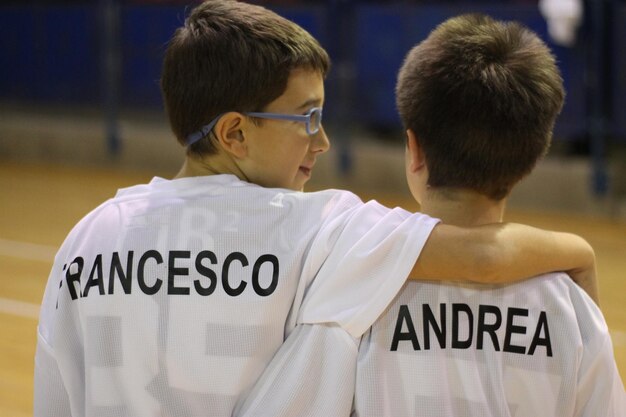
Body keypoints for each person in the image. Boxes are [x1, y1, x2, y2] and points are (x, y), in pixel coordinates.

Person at [33, 3, 598, 416]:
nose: (321, 141)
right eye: (305, 118)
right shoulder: (318, 229)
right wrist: (579, 252)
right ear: (234, 132)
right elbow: (478, 255)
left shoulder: (86, 240)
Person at [235, 13, 624, 417]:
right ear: (531, 158)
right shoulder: (574, 314)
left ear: (414, 150)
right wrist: (579, 252)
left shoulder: (349, 278)